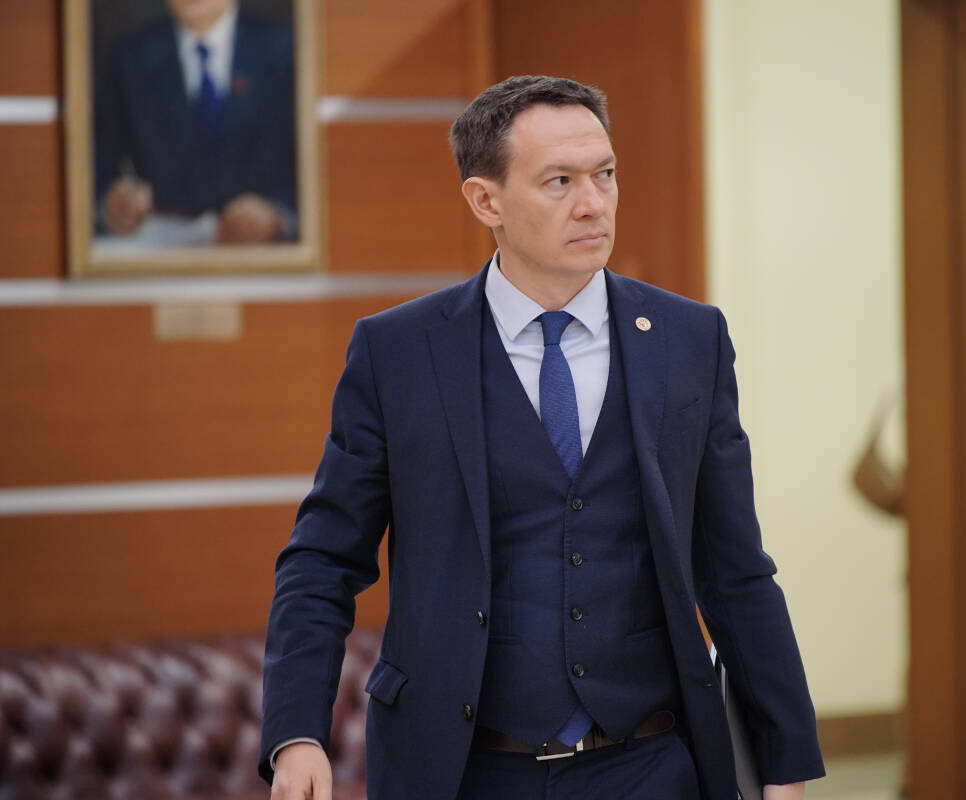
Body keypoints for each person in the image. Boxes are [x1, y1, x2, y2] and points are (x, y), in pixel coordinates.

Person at [259, 75, 824, 800]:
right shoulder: (398, 352)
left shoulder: (690, 340)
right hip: (463, 771)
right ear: (485, 201)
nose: (593, 202)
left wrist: (784, 761)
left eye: (605, 174)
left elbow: (735, 566)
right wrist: (296, 732)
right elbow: (323, 560)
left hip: (651, 764)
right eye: (559, 181)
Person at [94, 0, 296, 243]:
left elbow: (314, 169)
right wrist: (113, 204)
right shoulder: (131, 56)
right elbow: (97, 166)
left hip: (266, 252)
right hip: (159, 246)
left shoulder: (285, 49)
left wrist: (278, 214)